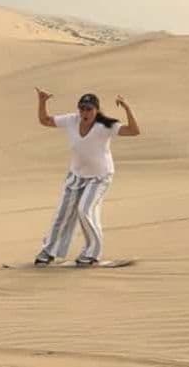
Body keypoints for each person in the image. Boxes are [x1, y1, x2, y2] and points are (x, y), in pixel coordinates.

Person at [33, 89, 141, 266]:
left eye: (89, 109)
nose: (84, 112)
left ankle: (91, 254)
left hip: (99, 177)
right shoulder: (71, 121)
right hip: (76, 176)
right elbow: (45, 120)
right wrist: (42, 101)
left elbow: (134, 131)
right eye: (82, 108)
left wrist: (128, 108)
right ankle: (49, 251)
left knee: (85, 210)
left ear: (96, 110)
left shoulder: (105, 126)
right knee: (63, 213)